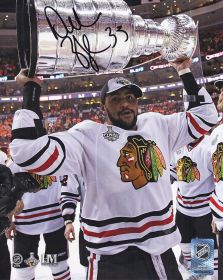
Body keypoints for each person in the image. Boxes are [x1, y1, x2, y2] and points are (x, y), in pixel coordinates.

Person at [9, 58, 218, 280]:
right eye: (116, 99)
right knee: (190, 244)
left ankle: (202, 273)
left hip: (162, 250)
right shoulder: (87, 135)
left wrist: (184, 70)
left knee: (199, 253)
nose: (125, 104)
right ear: (103, 107)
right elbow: (28, 152)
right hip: (110, 260)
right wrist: (31, 90)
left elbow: (205, 117)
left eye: (130, 98)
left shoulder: (158, 125)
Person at [5, 160, 71, 280]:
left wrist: (68, 219)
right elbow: (8, 195)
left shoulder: (56, 158)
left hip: (53, 221)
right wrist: (8, 219)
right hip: (25, 224)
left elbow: (68, 188)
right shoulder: (14, 164)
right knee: (24, 269)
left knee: (57, 265)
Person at [171, 134, 218, 280]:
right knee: (183, 242)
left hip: (204, 210)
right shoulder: (177, 145)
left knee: (203, 246)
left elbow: (219, 180)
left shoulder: (210, 146)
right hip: (182, 207)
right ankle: (192, 268)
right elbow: (172, 170)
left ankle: (201, 273)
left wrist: (217, 213)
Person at [208, 79, 223, 279]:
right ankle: (200, 271)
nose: (221, 93)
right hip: (214, 209)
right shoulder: (217, 133)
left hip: (205, 206)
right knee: (191, 241)